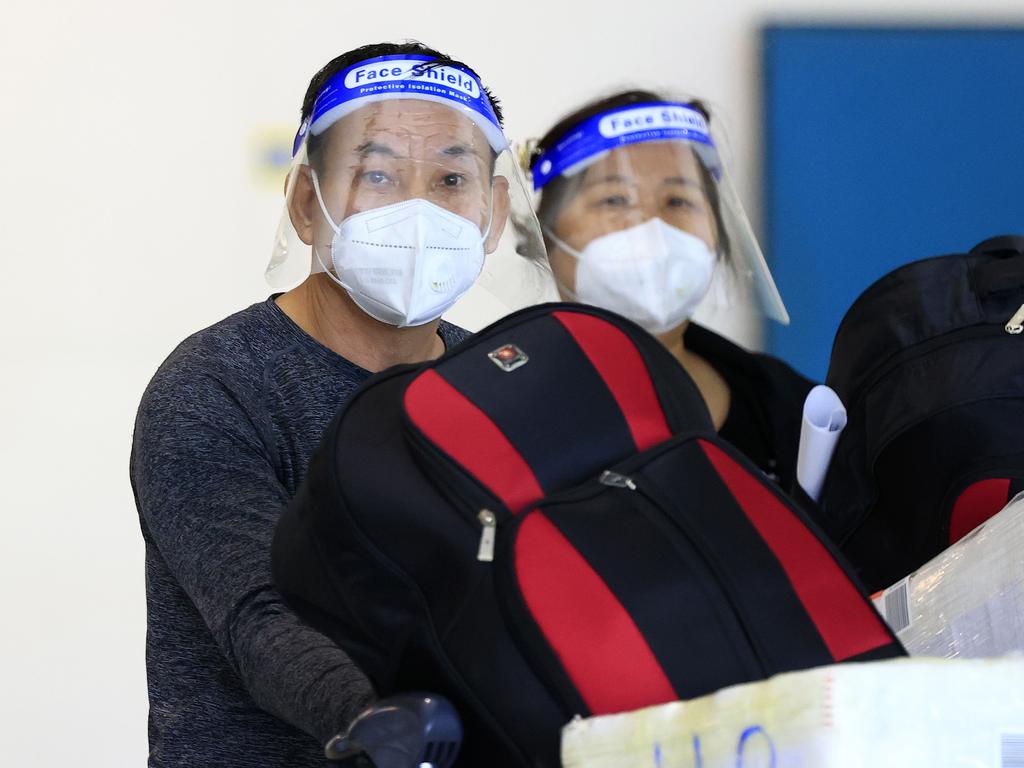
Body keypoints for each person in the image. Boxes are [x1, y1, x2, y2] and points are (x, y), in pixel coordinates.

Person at [130, 41, 548, 767]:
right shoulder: (216, 386)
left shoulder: (511, 383)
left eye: (452, 177)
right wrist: (388, 720)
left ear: (493, 207)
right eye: (377, 174)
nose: (418, 210)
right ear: (304, 201)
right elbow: (263, 621)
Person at [528, 90, 814, 490]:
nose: (652, 228)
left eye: (679, 200)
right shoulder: (499, 404)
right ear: (543, 234)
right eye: (614, 199)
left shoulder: (788, 408)